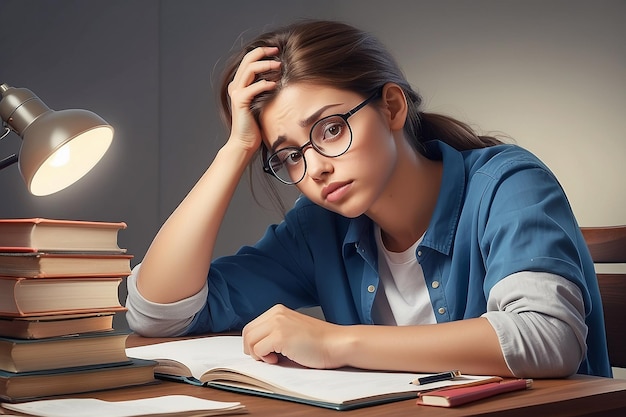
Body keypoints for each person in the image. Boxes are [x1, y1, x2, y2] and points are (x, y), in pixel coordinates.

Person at [125, 19, 611, 378]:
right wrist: (236, 150)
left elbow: (549, 338)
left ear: (393, 107)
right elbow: (158, 313)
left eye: (331, 128)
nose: (314, 167)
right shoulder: (318, 227)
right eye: (289, 154)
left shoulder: (508, 185)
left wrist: (338, 342)